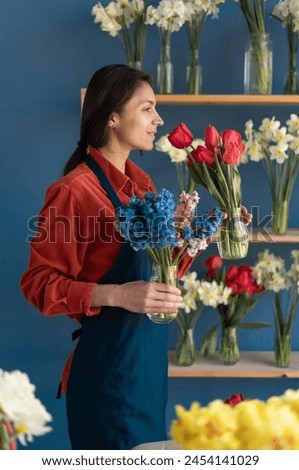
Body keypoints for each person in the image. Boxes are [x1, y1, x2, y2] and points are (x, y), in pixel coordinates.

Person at [19, 64, 190, 451]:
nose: (158, 119)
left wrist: (190, 240)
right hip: (108, 375)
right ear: (113, 116)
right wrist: (117, 295)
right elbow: (38, 284)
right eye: (147, 108)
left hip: (145, 373)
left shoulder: (142, 185)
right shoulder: (74, 191)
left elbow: (159, 277)